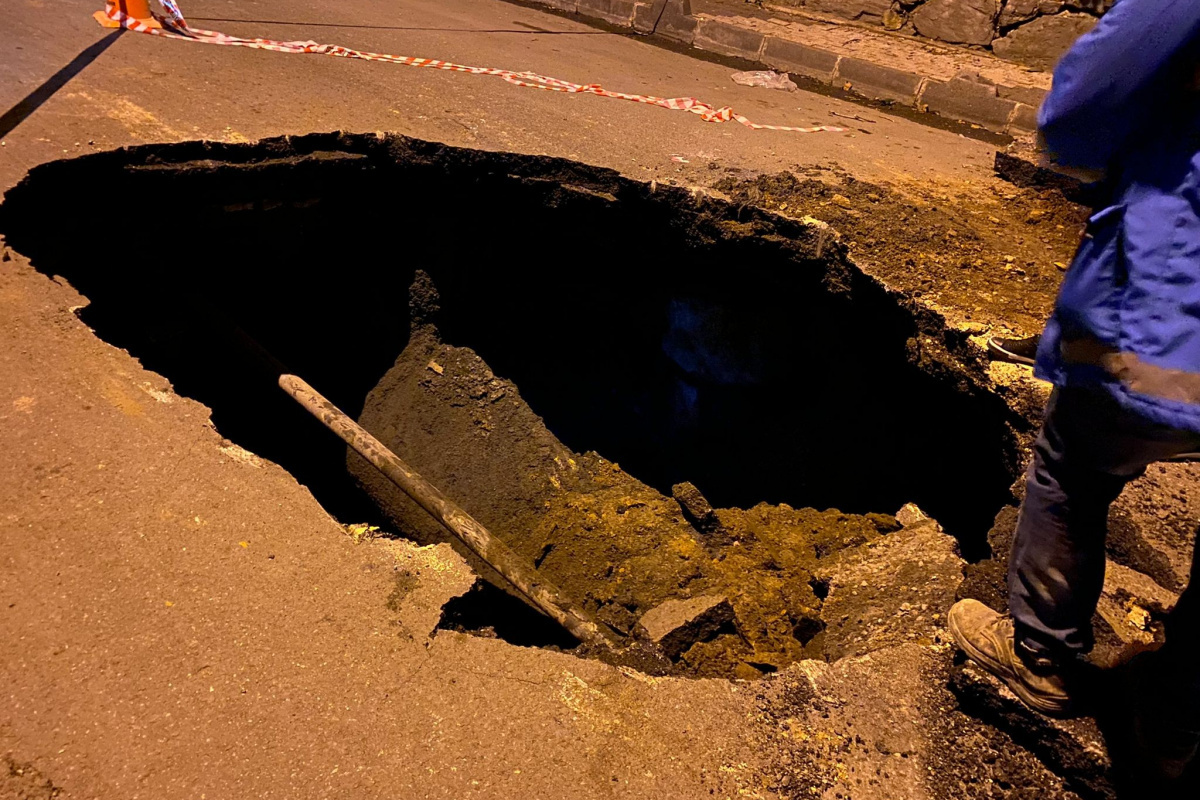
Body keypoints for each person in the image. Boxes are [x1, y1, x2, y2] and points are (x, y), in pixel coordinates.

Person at [946, 0, 1200, 787]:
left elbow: (1078, 114)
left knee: (1072, 466)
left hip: (1174, 302)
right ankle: (1177, 707)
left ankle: (1043, 658)